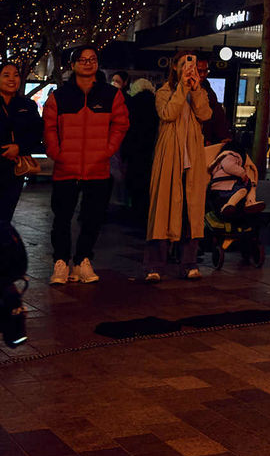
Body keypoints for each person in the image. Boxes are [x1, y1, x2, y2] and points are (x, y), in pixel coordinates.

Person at [43, 44, 129, 285]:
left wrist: (107, 150)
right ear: (72, 65)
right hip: (65, 168)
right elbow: (49, 127)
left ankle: (82, 261)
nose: (88, 63)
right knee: (61, 218)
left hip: (97, 168)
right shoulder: (58, 96)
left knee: (93, 218)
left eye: (92, 59)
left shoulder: (111, 95)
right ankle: (61, 262)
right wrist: (56, 153)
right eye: (82, 59)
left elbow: (121, 124)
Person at [145, 52, 212, 282]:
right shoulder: (164, 91)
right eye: (183, 64)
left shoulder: (199, 91)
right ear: (174, 67)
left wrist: (194, 89)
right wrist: (182, 89)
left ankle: (189, 262)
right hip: (169, 157)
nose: (188, 69)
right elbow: (168, 113)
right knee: (162, 210)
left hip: (192, 159)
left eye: (191, 65)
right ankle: (156, 264)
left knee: (190, 212)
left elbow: (205, 114)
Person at [0, 61, 41, 229]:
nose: (12, 79)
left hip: (14, 170)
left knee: (4, 217)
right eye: (6, 75)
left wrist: (19, 147)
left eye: (15, 75)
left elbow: (37, 133)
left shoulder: (27, 105)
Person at [121, 78, 159, 215]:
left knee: (134, 180)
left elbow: (127, 129)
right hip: (151, 149)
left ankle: (134, 209)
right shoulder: (156, 103)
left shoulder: (131, 104)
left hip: (134, 149)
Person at [208, 135, 264, 220]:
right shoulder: (230, 155)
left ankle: (248, 202)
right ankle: (230, 205)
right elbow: (229, 166)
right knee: (243, 190)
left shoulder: (220, 159)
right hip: (226, 185)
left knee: (248, 187)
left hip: (220, 187)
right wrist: (242, 174)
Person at [195, 57, 230, 146]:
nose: (203, 75)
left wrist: (222, 136)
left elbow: (216, 114)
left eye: (205, 71)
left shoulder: (207, 89)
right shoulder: (206, 89)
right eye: (199, 71)